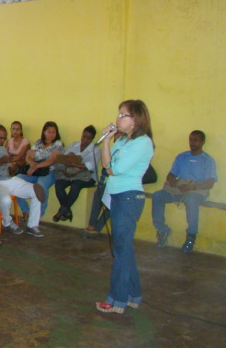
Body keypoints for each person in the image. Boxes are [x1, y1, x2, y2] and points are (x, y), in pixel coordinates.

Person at [95, 100, 153, 315]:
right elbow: (105, 165)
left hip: (129, 198)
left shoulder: (143, 143)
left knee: (121, 251)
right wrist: (107, 142)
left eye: (123, 115)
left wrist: (110, 165)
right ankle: (133, 295)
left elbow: (115, 168)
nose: (118, 118)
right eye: (119, 114)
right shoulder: (123, 141)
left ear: (136, 120)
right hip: (117, 196)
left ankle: (116, 299)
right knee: (124, 250)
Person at [151, 130, 217, 253]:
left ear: (203, 142)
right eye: (191, 139)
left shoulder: (207, 160)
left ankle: (191, 237)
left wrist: (193, 187)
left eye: (196, 140)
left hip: (196, 190)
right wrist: (173, 181)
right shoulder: (182, 157)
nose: (192, 142)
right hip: (179, 188)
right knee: (157, 196)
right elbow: (171, 174)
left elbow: (210, 182)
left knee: (191, 200)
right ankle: (162, 230)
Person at [0, 125, 46, 237]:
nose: (3, 141)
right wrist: (0, 161)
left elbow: (10, 169)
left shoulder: (3, 150)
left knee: (36, 190)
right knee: (5, 199)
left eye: (5, 138)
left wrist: (14, 166)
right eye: (1, 138)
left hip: (9, 179)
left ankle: (32, 225)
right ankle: (7, 222)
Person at [52, 125, 100, 223]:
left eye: (88, 138)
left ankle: (61, 211)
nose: (85, 140)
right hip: (71, 173)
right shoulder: (74, 144)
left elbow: (90, 166)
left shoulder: (96, 149)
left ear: (92, 139)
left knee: (76, 185)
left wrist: (76, 164)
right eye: (83, 136)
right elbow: (65, 157)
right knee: (59, 184)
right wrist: (69, 158)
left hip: (87, 176)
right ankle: (67, 211)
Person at [17, 121, 65, 218]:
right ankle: (26, 210)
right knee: (16, 181)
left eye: (54, 132)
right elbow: (28, 157)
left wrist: (35, 166)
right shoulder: (38, 142)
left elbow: (52, 160)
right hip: (35, 171)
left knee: (41, 186)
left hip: (50, 171)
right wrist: (32, 164)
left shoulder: (58, 143)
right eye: (49, 132)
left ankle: (37, 216)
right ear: (44, 132)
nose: (51, 134)